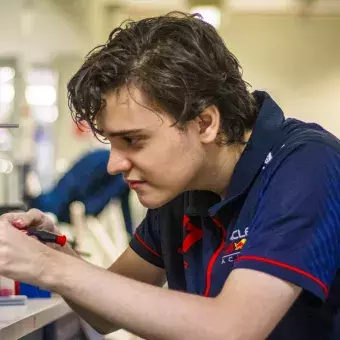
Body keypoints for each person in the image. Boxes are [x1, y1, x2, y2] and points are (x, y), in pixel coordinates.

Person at [1, 11, 340, 340]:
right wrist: (57, 254)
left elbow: (231, 329)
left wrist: (49, 266)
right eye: (111, 142)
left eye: (132, 140)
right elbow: (104, 316)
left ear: (205, 123)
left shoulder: (306, 164)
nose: (113, 165)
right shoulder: (184, 187)